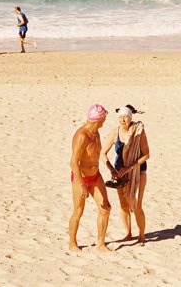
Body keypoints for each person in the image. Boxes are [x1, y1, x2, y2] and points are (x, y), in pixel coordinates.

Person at [101, 105, 150, 245]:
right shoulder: (114, 132)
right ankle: (128, 233)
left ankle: (141, 236)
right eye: (120, 117)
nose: (122, 119)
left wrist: (128, 168)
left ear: (130, 117)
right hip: (119, 172)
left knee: (137, 205)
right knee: (123, 204)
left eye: (125, 117)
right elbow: (102, 154)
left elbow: (146, 154)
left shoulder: (138, 131)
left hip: (138, 171)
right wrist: (111, 169)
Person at [69, 104, 112, 252]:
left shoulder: (96, 133)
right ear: (98, 120)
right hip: (80, 178)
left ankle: (100, 243)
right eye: (104, 118)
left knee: (105, 208)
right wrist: (82, 185)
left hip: (95, 176)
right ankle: (72, 243)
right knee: (78, 211)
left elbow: (95, 156)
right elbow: (73, 163)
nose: (105, 120)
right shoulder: (82, 136)